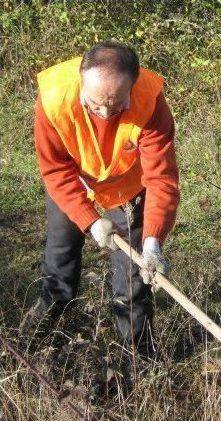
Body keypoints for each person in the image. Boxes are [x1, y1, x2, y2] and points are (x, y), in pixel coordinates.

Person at [20, 41, 180, 357]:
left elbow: (161, 178)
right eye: (95, 105)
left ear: (132, 88)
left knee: (133, 285)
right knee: (59, 267)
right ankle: (28, 344)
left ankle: (139, 365)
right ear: (82, 81)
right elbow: (55, 169)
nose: (105, 113)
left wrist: (152, 241)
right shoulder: (54, 99)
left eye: (116, 105)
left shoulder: (150, 102)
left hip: (128, 189)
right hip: (72, 187)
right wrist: (88, 218)